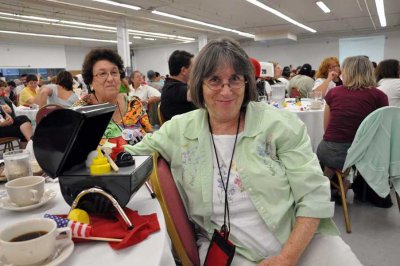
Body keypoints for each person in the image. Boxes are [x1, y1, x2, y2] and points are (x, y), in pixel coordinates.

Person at [126, 38, 361, 266]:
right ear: (199, 84)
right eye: (215, 80)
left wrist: (287, 258)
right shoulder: (178, 130)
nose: (226, 91)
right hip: (228, 249)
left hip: (298, 237)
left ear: (247, 82)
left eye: (235, 79)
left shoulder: (278, 125)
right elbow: (126, 157)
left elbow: (313, 195)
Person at [316, 56, 388, 202]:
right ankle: (342, 189)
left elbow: (327, 130)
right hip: (362, 155)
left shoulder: (334, 93)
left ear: (347, 72)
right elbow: (381, 131)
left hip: (330, 152)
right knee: (354, 152)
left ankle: (320, 191)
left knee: (334, 149)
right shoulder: (379, 96)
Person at [73, 48, 151, 145]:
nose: (110, 79)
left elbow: (150, 137)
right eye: (102, 74)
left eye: (114, 72)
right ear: (90, 80)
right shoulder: (80, 112)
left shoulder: (134, 104)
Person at [160, 50, 196, 121]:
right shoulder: (172, 88)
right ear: (183, 71)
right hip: (181, 130)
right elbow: (197, 94)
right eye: (194, 68)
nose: (196, 71)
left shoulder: (174, 85)